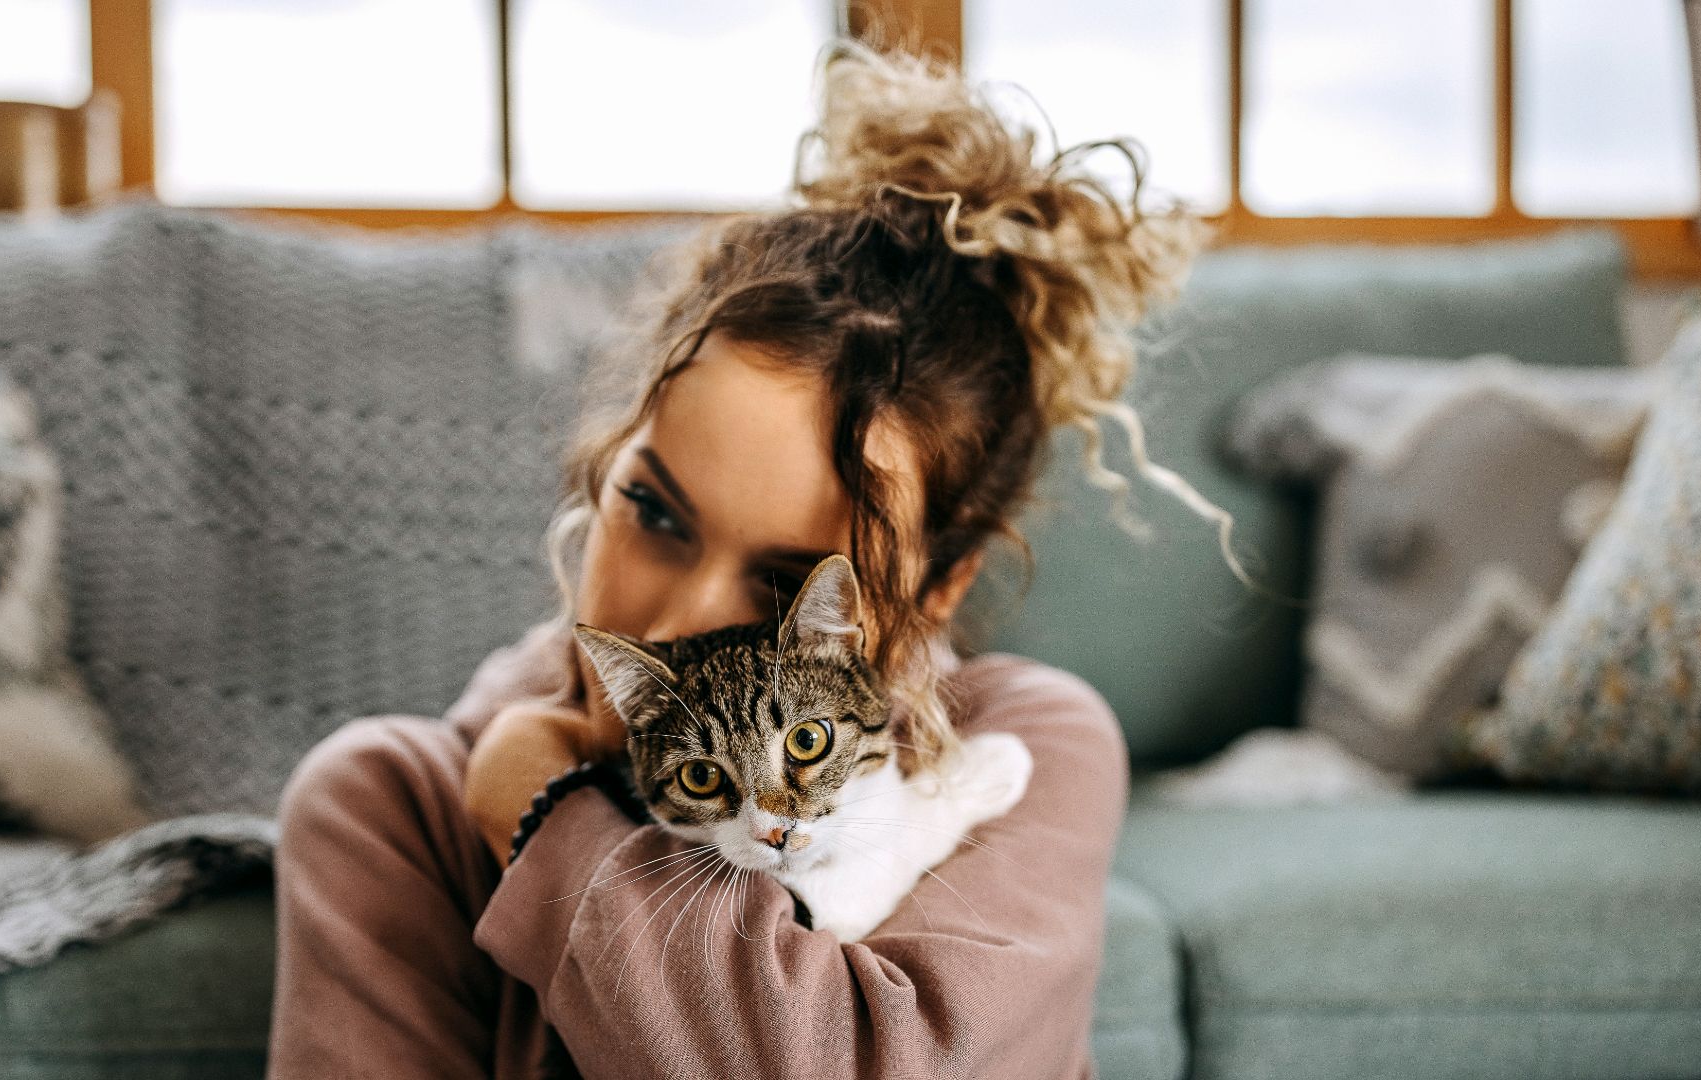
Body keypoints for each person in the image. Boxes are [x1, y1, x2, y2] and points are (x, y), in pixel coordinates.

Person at [266, 36, 1243, 1080]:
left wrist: (545, 816)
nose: (679, 625)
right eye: (653, 509)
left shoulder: (1031, 749)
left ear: (933, 597)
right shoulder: (391, 809)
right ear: (605, 469)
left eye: (786, 586)